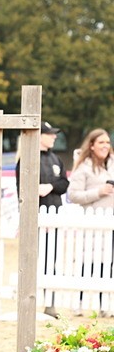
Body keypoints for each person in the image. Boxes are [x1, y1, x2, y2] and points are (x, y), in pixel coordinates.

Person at [16, 121, 70, 317]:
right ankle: (27, 301)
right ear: (40, 136)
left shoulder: (56, 159)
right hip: (35, 217)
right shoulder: (27, 160)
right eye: (50, 134)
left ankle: (50, 303)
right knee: (31, 260)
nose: (54, 137)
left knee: (51, 261)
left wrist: (50, 187)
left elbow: (64, 183)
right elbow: (21, 190)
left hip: (53, 215)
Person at [66, 129, 114, 315]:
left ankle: (104, 305)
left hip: (110, 222)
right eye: (101, 142)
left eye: (107, 142)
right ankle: (77, 303)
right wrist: (98, 192)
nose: (105, 146)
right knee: (88, 264)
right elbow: (73, 195)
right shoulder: (83, 168)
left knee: (108, 264)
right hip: (92, 224)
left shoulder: (111, 165)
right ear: (92, 145)